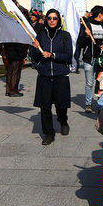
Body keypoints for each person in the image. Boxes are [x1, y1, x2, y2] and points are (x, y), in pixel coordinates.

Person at [30, 9, 73, 145]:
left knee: (61, 105)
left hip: (60, 75)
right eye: (49, 18)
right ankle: (49, 133)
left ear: (58, 20)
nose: (52, 21)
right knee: (45, 107)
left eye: (55, 18)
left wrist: (53, 55)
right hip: (44, 75)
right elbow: (34, 58)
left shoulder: (65, 36)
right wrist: (36, 48)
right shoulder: (41, 36)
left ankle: (63, 120)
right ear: (46, 20)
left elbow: (68, 56)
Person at [76, 5, 103, 113]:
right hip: (89, 58)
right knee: (89, 83)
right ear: (100, 14)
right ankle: (88, 104)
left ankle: (100, 105)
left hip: (101, 58)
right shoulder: (87, 25)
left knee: (100, 81)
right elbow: (80, 42)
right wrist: (86, 36)